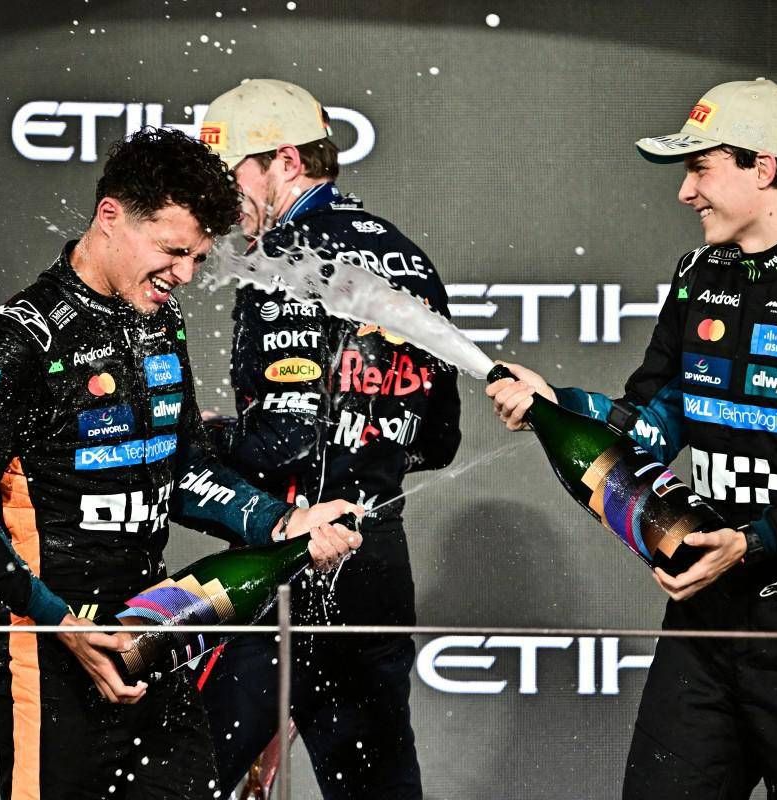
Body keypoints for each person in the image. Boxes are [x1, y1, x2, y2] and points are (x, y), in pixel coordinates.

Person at [488, 78, 777, 798]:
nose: (685, 192)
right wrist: (555, 405)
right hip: (704, 618)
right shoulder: (699, 274)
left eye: (700, 169)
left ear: (765, 167)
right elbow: (649, 423)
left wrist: (749, 543)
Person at [0, 127, 362, 800]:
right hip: (44, 648)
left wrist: (282, 522)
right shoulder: (16, 340)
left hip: (152, 629)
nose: (185, 275)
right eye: (174, 251)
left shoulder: (160, 319)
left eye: (198, 258)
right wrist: (62, 623)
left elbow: (180, 471)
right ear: (111, 216)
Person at [193, 79, 461, 799]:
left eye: (229, 175)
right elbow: (439, 439)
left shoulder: (284, 257)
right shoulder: (407, 256)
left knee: (176, 779)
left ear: (285, 161)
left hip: (294, 560)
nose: (217, 199)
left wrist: (205, 442)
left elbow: (288, 441)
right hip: (375, 568)